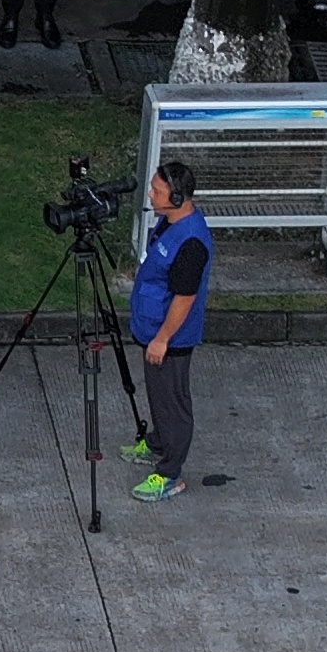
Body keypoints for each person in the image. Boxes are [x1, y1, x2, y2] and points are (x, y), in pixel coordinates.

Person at [129, 159, 211, 504]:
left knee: (172, 403)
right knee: (158, 396)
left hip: (170, 338)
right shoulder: (170, 222)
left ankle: (169, 473)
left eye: (157, 190)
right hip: (154, 329)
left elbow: (185, 297)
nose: (150, 193)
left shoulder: (191, 243)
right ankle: (158, 443)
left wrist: (163, 338)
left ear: (177, 198)